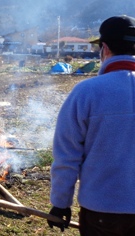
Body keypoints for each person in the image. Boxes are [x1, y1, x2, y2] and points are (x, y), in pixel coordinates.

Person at [48, 15, 135, 235]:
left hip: (103, 212)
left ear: (104, 48)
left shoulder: (87, 92)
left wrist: (60, 203)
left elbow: (67, 155)